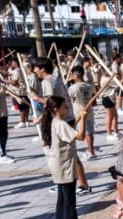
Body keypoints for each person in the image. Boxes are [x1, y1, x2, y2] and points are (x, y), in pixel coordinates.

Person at [32, 57, 92, 195]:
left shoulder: (47, 82)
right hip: (66, 116)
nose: (34, 70)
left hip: (61, 119)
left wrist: (37, 101)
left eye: (36, 68)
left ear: (42, 69)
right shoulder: (55, 79)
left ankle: (79, 184)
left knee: (65, 153)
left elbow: (50, 104)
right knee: (68, 153)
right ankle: (72, 183)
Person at [40, 96, 91, 219]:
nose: (67, 107)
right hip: (64, 165)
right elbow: (80, 136)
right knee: (69, 198)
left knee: (62, 197)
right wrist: (84, 119)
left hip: (57, 163)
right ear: (56, 109)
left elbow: (69, 132)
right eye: (64, 106)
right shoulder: (59, 124)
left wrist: (79, 119)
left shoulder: (53, 122)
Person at [67, 66, 97, 160]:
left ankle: (91, 152)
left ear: (76, 75)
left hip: (79, 113)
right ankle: (91, 151)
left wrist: (67, 84)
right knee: (89, 132)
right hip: (89, 111)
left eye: (72, 74)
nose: (71, 76)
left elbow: (67, 99)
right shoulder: (88, 85)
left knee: (86, 133)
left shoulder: (73, 88)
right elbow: (94, 100)